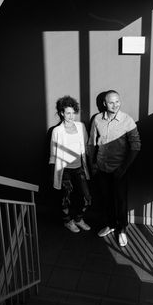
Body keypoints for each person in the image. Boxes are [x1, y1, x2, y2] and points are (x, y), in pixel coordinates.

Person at [88, 90, 141, 246]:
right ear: (105, 104)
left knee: (121, 201)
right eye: (111, 102)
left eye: (117, 101)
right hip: (102, 168)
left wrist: (123, 168)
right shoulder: (97, 119)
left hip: (120, 170)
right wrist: (93, 165)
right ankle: (111, 225)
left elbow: (136, 146)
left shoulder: (127, 120)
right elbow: (91, 143)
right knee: (107, 199)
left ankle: (122, 229)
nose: (115, 105)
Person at [49, 96, 91, 233]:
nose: (71, 116)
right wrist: (54, 175)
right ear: (62, 113)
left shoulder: (81, 127)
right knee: (65, 198)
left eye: (73, 112)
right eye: (68, 113)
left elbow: (86, 147)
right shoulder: (56, 131)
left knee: (86, 197)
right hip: (64, 170)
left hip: (79, 168)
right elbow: (53, 154)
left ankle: (78, 219)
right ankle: (68, 221)